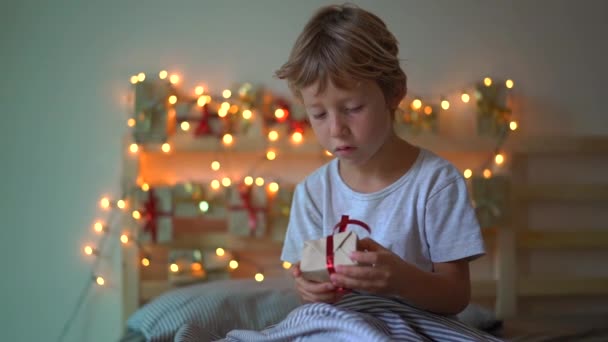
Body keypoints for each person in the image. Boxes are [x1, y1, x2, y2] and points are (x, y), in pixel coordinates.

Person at [275, 4, 485, 316]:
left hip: (412, 327)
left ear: (394, 92)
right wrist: (308, 288)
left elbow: (456, 295)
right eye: (318, 114)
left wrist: (402, 280)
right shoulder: (313, 193)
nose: (336, 129)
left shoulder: (436, 183)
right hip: (335, 327)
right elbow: (306, 282)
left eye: (353, 108)